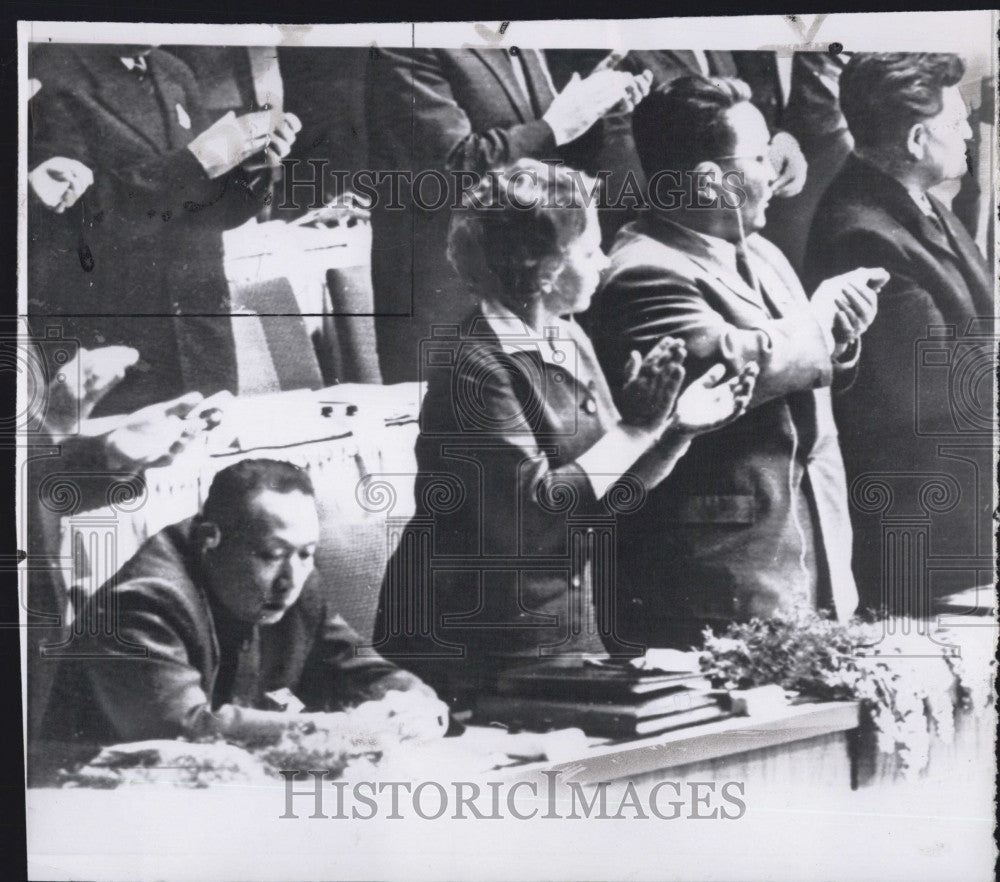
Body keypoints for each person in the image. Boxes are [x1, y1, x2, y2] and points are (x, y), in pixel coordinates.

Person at [372, 160, 757, 707]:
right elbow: (533, 514)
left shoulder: (567, 336)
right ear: (543, 269)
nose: (603, 261)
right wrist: (637, 428)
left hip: (554, 634)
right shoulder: (473, 367)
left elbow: (604, 498)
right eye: (589, 249)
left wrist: (675, 433)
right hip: (467, 646)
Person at [593, 77, 889, 648]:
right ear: (711, 181)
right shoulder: (642, 270)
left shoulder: (764, 252)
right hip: (718, 581)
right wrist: (820, 324)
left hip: (809, 560)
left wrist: (841, 335)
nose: (776, 173)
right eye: (759, 157)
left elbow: (804, 364)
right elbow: (730, 370)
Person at [43, 458, 448, 753]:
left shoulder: (300, 584)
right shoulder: (141, 605)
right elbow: (188, 730)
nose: (291, 579)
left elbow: (364, 668)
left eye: (306, 553)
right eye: (272, 554)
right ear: (208, 539)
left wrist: (418, 704)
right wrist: (349, 730)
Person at [805, 54, 994, 612]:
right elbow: (933, 394)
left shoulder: (923, 204)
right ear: (916, 140)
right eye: (957, 124)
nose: (968, 135)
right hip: (923, 529)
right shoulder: (860, 234)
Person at [28, 43, 301, 416]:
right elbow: (75, 211)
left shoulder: (174, 70)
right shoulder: (50, 71)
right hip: (116, 339)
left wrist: (254, 166)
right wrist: (203, 159)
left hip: (200, 332)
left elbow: (207, 208)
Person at [365, 46, 653, 382]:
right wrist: (557, 124)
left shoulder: (517, 40)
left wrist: (594, 108)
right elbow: (446, 172)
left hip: (532, 304)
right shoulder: (406, 43)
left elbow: (544, 167)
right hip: (452, 302)